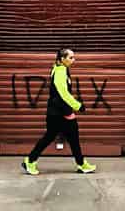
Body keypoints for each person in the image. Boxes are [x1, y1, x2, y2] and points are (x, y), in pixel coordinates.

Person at [22, 47, 97, 175]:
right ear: (62, 59)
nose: (74, 60)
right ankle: (30, 161)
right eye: (70, 57)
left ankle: (81, 163)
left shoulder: (59, 68)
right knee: (53, 137)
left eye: (73, 57)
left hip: (60, 111)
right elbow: (63, 93)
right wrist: (78, 106)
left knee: (70, 137)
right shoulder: (60, 72)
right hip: (58, 112)